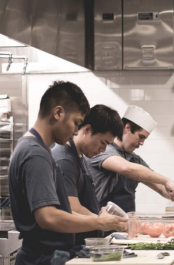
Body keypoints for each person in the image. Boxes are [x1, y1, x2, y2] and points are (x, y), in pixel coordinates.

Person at [9, 81, 126, 265]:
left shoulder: (36, 150)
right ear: (58, 113)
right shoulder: (36, 155)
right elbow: (49, 217)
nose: (76, 131)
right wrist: (97, 221)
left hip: (42, 263)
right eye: (76, 123)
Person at [88, 105, 174, 212]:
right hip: (102, 221)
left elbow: (160, 187)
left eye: (144, 139)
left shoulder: (135, 160)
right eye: (141, 137)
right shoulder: (103, 150)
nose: (142, 143)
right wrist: (167, 181)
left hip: (126, 224)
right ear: (127, 128)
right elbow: (126, 168)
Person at [52, 104, 123, 245]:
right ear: (87, 129)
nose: (103, 150)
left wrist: (100, 215)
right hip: (67, 247)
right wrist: (103, 221)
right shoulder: (64, 159)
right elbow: (71, 208)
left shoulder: (80, 157)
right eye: (103, 143)